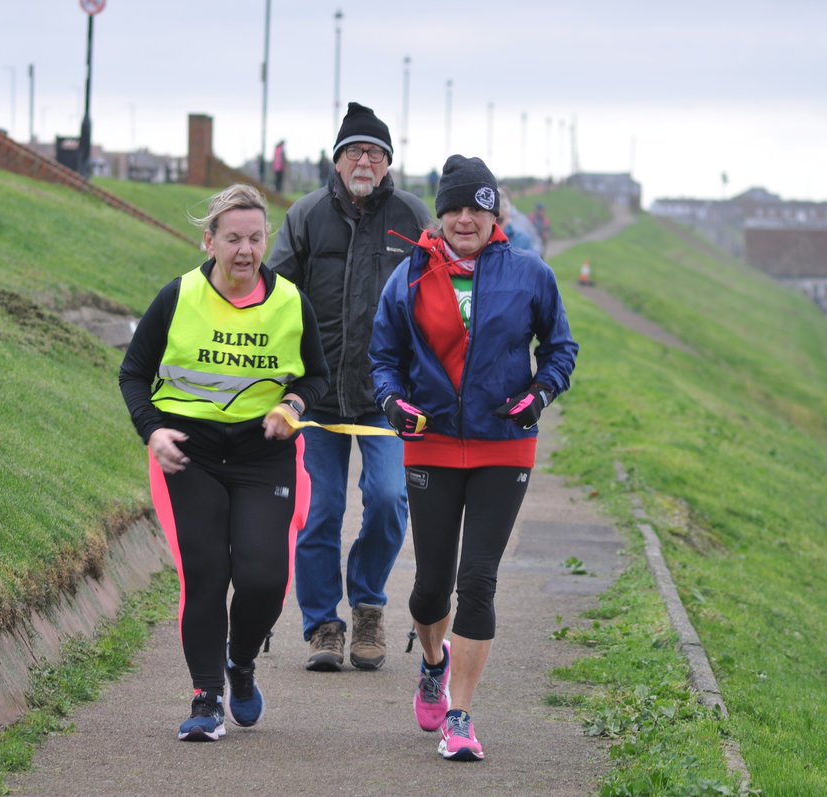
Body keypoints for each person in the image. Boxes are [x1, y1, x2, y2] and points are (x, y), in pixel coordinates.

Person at [369, 155, 578, 761]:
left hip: (503, 446)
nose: (466, 218)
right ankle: (432, 662)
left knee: (477, 582)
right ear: (441, 213)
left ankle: (460, 716)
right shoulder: (408, 277)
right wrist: (391, 401)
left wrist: (540, 392)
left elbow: (561, 347)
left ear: (495, 213)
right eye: (455, 207)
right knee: (431, 589)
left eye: (477, 207)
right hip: (431, 442)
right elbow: (383, 355)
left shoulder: (531, 274)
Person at [118, 183, 329, 741]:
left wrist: (291, 405)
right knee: (206, 574)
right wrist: (153, 430)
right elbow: (134, 373)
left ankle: (240, 661)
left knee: (263, 578)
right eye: (232, 238)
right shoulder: (178, 296)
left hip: (265, 453)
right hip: (192, 453)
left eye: (256, 238)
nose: (245, 250)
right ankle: (207, 697)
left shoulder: (289, 301)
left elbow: (317, 376)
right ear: (209, 241)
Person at [268, 101, 431, 672]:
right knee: (322, 509)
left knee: (388, 501)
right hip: (316, 396)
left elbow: (439, 302)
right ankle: (323, 626)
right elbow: (275, 297)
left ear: (388, 163)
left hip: (388, 398)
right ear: (337, 161)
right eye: (355, 151)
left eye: (376, 152)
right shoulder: (306, 215)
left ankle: (366, 605)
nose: (365, 160)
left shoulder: (414, 219)